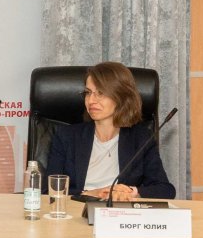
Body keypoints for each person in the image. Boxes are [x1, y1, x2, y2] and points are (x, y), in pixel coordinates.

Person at [44, 61, 176, 201]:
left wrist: (131, 192)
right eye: (88, 93)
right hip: (77, 208)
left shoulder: (141, 138)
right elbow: (48, 190)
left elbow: (165, 190)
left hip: (119, 211)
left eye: (100, 93)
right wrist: (92, 193)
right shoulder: (66, 136)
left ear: (121, 97)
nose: (91, 100)